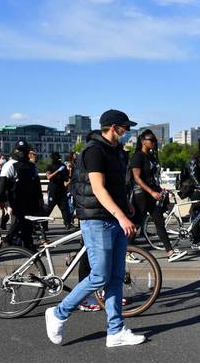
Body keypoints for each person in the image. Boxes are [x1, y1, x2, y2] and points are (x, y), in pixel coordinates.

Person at [45, 109, 145, 347]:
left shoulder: (117, 152)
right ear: (113, 128)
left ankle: (115, 331)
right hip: (98, 219)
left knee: (116, 276)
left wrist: (127, 205)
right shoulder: (94, 150)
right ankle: (59, 313)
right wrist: (121, 216)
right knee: (100, 275)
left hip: (114, 217)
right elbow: (99, 188)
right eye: (124, 127)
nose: (127, 131)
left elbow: (117, 185)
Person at [130, 129, 187, 262]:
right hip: (142, 194)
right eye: (152, 140)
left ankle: (170, 252)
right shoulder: (138, 156)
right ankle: (126, 251)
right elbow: (137, 178)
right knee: (136, 224)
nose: (154, 143)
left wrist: (160, 189)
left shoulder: (151, 157)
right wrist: (151, 192)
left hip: (153, 193)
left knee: (159, 223)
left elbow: (152, 177)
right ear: (143, 141)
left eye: (155, 140)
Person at [0, 140, 43, 251]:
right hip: (15, 200)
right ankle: (8, 240)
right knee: (18, 221)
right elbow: (3, 184)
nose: (22, 152)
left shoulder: (32, 166)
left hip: (30, 200)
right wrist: (0, 200)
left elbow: (37, 183)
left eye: (24, 150)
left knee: (27, 223)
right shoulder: (9, 165)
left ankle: (27, 245)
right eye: (20, 150)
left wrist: (40, 197)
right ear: (16, 150)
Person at [45, 152, 73, 230]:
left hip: (61, 189)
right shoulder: (50, 166)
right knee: (49, 208)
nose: (59, 159)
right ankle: (43, 224)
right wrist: (58, 171)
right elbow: (49, 177)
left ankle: (67, 224)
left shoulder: (63, 166)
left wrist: (69, 170)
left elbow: (67, 178)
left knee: (64, 208)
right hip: (53, 189)